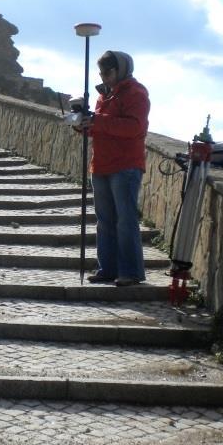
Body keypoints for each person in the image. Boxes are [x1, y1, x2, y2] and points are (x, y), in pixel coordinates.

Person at [80, 50, 150, 286]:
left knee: (125, 220)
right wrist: (84, 125)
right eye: (101, 73)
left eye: (108, 72)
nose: (104, 77)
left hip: (125, 165)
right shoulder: (104, 96)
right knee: (105, 220)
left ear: (120, 70)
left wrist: (98, 121)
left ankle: (131, 272)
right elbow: (102, 127)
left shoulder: (136, 93)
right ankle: (108, 269)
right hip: (100, 163)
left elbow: (134, 128)